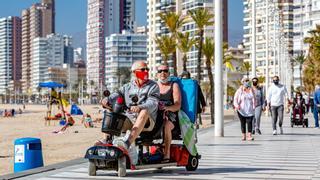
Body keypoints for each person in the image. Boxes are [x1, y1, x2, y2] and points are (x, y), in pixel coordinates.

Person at [101, 61, 160, 161]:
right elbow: (116, 95)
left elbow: (153, 103)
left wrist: (140, 106)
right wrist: (106, 100)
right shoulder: (127, 87)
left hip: (147, 121)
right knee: (111, 111)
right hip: (129, 118)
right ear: (134, 72)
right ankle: (106, 141)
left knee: (144, 111)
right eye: (143, 69)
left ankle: (127, 143)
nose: (146, 71)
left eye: (147, 69)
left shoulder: (153, 86)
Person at [157, 65, 181, 162]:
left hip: (171, 115)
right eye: (160, 71)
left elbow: (178, 105)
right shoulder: (154, 86)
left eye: (165, 71)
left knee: (166, 126)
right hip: (156, 113)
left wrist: (167, 108)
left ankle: (166, 154)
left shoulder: (174, 85)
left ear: (169, 73)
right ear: (157, 74)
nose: (163, 73)